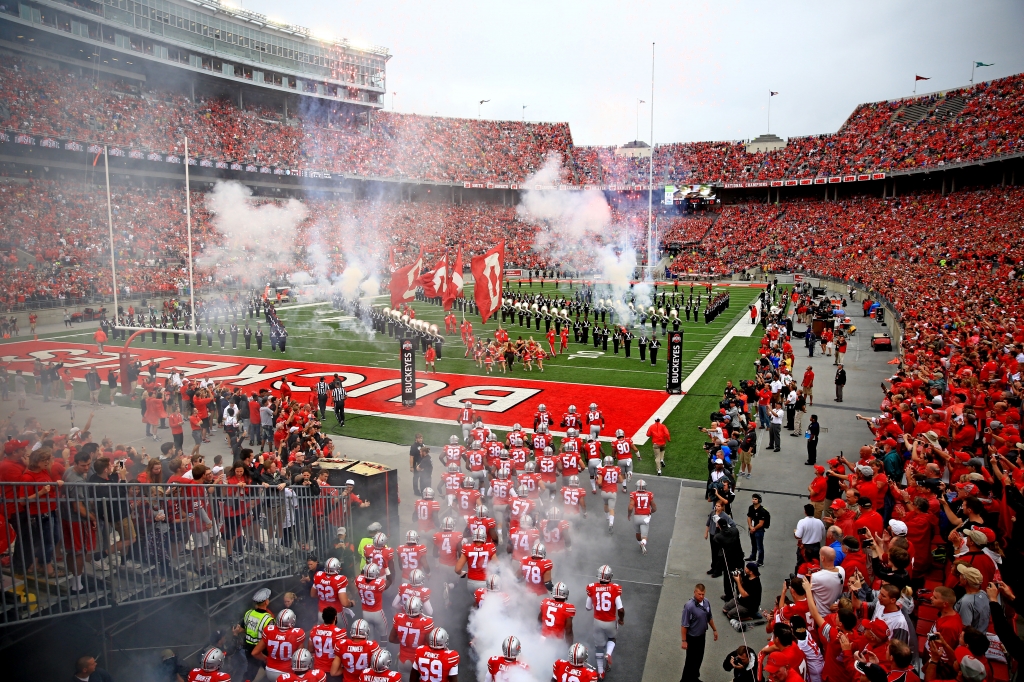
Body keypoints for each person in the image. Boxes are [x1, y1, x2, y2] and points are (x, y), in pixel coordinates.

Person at [680, 583, 717, 682]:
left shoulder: (706, 602)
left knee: (699, 658)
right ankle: (684, 680)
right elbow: (684, 625)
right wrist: (684, 640)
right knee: (690, 661)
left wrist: (714, 630)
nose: (701, 596)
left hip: (701, 636)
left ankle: (694, 677)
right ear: (694, 592)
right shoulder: (689, 607)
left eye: (703, 594)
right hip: (692, 638)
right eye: (699, 594)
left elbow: (709, 617)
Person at [745, 494, 769, 566]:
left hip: (759, 530)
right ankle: (753, 556)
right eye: (753, 499)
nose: (753, 500)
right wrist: (750, 526)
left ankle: (760, 561)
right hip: (752, 528)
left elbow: (761, 523)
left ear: (759, 500)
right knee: (753, 543)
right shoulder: (751, 508)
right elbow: (749, 517)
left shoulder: (762, 511)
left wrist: (754, 529)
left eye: (755, 499)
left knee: (759, 546)